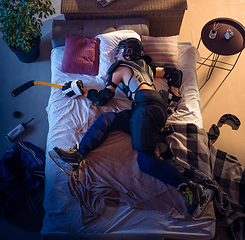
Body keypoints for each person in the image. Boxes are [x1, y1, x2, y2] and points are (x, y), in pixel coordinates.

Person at [53, 38, 213, 218]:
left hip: (146, 109)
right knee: (109, 118)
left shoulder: (120, 67)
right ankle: (79, 154)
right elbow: (175, 74)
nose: (115, 55)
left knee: (145, 161)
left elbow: (103, 98)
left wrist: (82, 91)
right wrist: (173, 99)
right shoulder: (148, 68)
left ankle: (192, 188)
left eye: (118, 52)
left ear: (127, 53)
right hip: (150, 110)